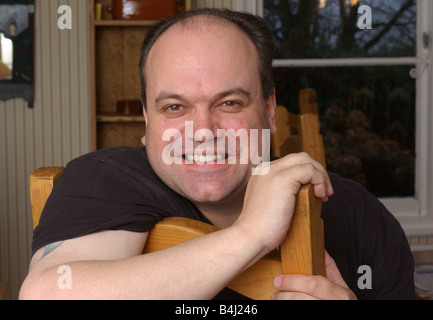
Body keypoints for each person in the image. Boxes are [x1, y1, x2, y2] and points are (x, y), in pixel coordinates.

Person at [19, 8, 415, 300]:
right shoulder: (104, 179)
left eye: (229, 103)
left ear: (269, 111)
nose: (203, 132)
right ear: (146, 120)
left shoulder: (359, 217)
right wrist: (250, 235)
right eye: (174, 107)